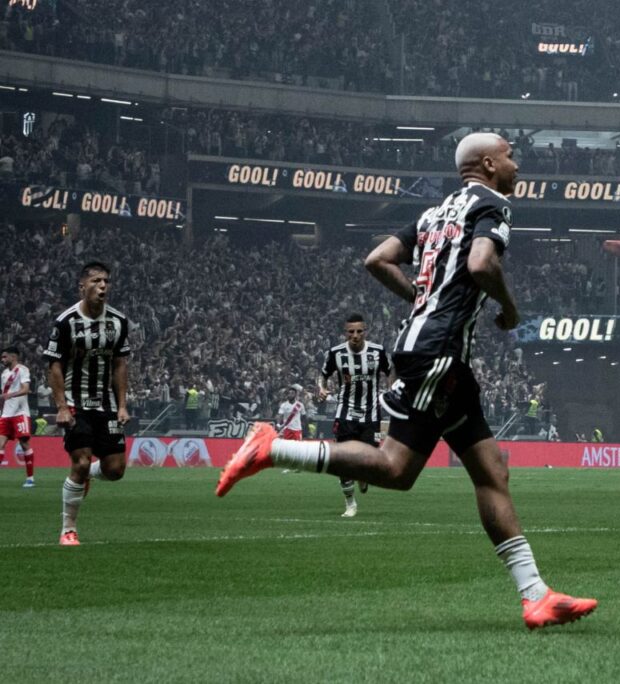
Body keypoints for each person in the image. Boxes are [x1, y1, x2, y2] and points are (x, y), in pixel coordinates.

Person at [216, 132, 596, 629]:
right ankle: (273, 449)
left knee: (491, 469)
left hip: (437, 353)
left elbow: (377, 259)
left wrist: (422, 301)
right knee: (396, 468)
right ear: (488, 163)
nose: (517, 165)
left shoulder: (435, 213)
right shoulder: (493, 204)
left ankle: (536, 595)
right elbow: (482, 263)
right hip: (439, 354)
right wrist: (510, 307)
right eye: (510, 156)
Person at [44, 262, 131, 545]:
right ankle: (68, 529)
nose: (103, 285)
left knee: (115, 470)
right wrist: (60, 406)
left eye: (106, 280)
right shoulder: (66, 322)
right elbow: (54, 366)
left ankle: (89, 475)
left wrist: (121, 405)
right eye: (96, 281)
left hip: (105, 405)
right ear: (83, 286)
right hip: (75, 403)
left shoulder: (118, 322)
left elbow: (120, 365)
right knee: (79, 462)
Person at [319, 313, 391, 517]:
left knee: (371, 460)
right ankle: (350, 504)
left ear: (365, 331)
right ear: (345, 333)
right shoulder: (336, 353)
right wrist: (322, 389)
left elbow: (390, 371)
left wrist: (392, 389)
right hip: (345, 413)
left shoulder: (377, 352)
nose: (355, 335)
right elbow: (323, 375)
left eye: (359, 331)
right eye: (351, 332)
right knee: (343, 460)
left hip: (372, 415)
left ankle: (364, 476)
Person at [1, 346, 36, 487]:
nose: (2, 359)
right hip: (6, 414)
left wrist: (10, 395)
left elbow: (26, 389)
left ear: (13, 357)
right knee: (0, 444)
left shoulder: (22, 370)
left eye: (5, 357)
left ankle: (30, 478)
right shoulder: (3, 373)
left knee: (24, 444)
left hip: (20, 413)